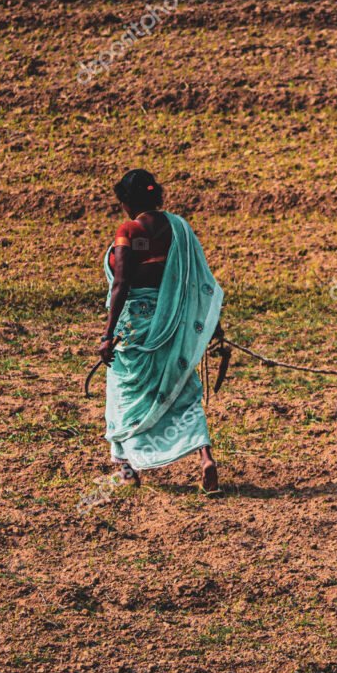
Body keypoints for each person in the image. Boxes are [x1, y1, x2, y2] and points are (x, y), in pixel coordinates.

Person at [99, 168, 224, 495]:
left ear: (128, 202)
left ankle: (127, 469)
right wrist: (214, 328)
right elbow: (201, 283)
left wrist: (107, 333)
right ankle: (206, 457)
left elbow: (123, 284)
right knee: (183, 389)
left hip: (136, 331)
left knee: (122, 394)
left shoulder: (129, 231)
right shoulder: (180, 229)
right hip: (176, 327)